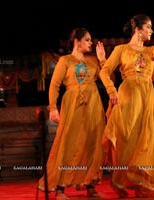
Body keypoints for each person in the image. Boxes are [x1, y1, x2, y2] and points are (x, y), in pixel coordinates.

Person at [99, 14, 154, 198]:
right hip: (128, 98)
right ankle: (120, 181)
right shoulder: (121, 49)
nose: (151, 31)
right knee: (127, 141)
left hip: (147, 100)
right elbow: (105, 72)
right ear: (138, 30)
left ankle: (141, 183)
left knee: (146, 141)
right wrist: (111, 91)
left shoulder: (151, 50)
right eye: (148, 27)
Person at [38, 27, 107, 200]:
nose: (91, 42)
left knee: (93, 143)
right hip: (73, 104)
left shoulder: (92, 61)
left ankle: (90, 185)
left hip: (93, 105)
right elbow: (54, 85)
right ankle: (60, 189)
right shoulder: (65, 60)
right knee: (69, 143)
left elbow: (108, 80)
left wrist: (103, 61)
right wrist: (53, 107)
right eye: (88, 39)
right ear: (77, 41)